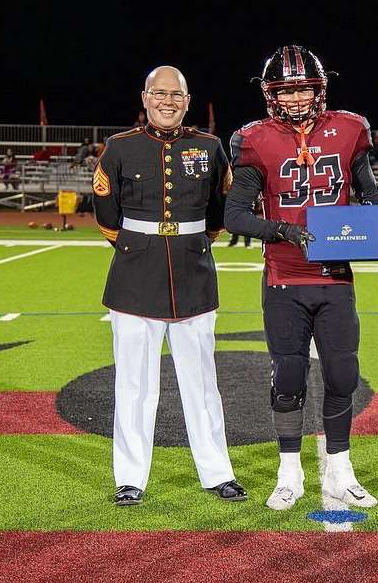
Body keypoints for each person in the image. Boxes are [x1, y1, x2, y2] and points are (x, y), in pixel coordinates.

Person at [224, 45, 378, 511]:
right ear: (270, 93)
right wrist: (284, 231)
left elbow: (370, 194)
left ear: (319, 89)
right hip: (285, 277)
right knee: (289, 378)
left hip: (336, 277)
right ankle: (289, 471)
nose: (296, 98)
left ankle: (341, 469)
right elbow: (235, 214)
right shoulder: (255, 139)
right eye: (287, 90)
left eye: (303, 88)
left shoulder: (350, 130)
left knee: (344, 373)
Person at [93, 65, 246, 507]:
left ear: (187, 99)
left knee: (201, 384)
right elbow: (106, 213)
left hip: (193, 274)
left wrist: (189, 243)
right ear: (144, 98)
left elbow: (220, 211)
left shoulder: (210, 146)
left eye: (175, 94)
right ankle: (130, 478)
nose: (167, 101)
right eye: (158, 93)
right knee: (135, 384)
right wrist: (141, 248)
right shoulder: (119, 148)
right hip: (134, 279)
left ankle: (217, 473)